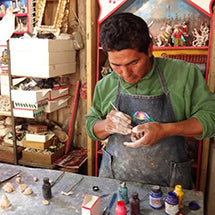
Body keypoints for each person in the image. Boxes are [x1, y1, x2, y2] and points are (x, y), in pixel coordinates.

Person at [85, 13, 215, 189]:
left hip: (169, 185)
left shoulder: (184, 74)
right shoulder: (105, 85)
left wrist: (166, 129)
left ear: (149, 49)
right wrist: (107, 125)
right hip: (115, 181)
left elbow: (210, 118)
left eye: (133, 63)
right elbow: (91, 126)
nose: (125, 74)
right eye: (116, 65)